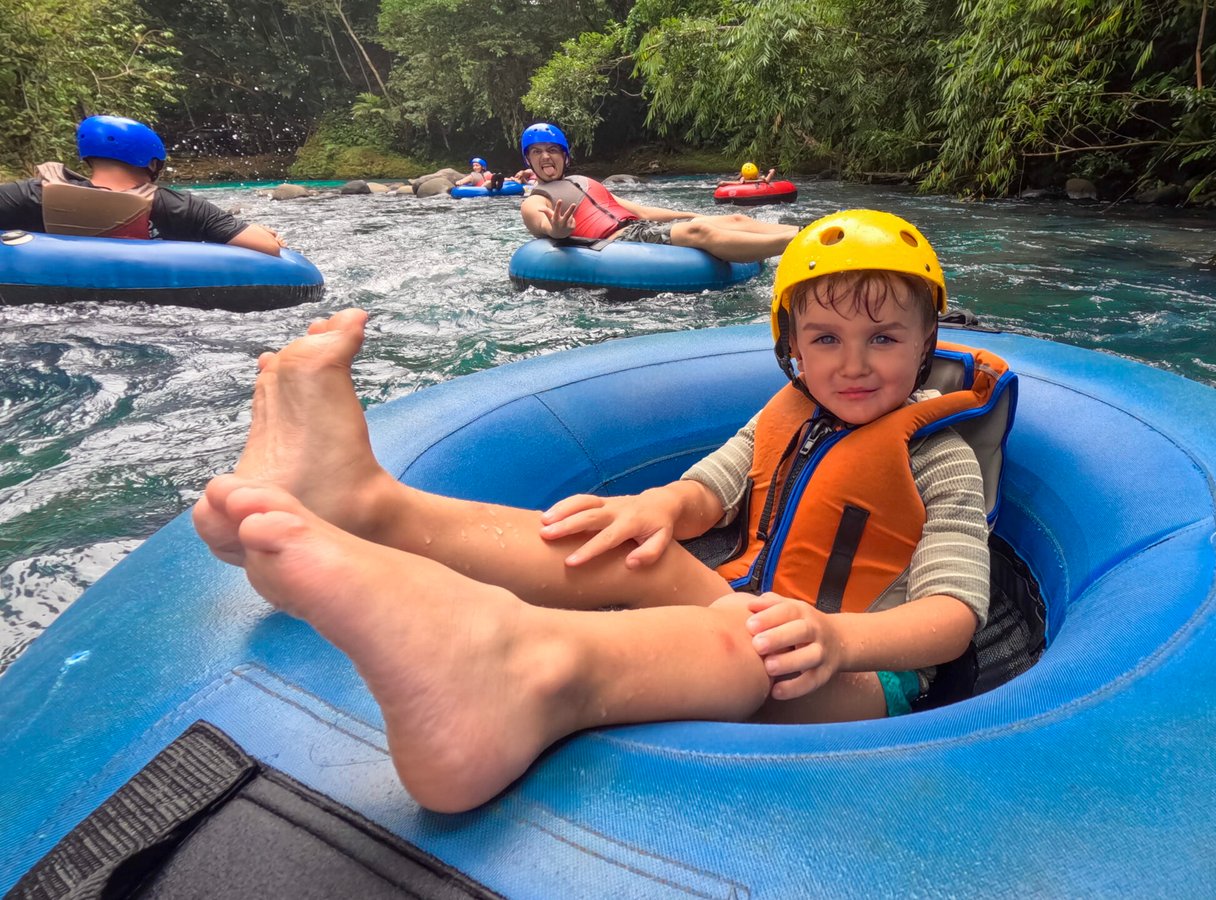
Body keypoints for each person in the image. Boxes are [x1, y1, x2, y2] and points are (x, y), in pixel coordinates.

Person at [192, 210, 1008, 813]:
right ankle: (366, 509)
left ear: (929, 336)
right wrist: (654, 508)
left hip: (861, 676)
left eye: (885, 340)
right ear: (791, 344)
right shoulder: (786, 412)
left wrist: (838, 640)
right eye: (825, 340)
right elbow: (708, 491)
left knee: (742, 640)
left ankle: (527, 671)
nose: (853, 365)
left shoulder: (940, 459)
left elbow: (953, 615)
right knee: (624, 545)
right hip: (755, 605)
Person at [0, 116, 285, 255]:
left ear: (88, 157)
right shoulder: (177, 206)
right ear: (152, 163)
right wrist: (263, 232)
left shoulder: (30, 194)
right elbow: (267, 248)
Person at [517, 122, 796, 263]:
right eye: (537, 152)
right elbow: (542, 223)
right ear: (529, 161)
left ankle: (807, 230)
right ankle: (797, 245)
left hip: (637, 227)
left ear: (564, 157)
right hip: (617, 241)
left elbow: (640, 212)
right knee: (699, 233)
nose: (545, 157)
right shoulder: (537, 199)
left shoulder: (583, 181)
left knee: (734, 220)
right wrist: (558, 230)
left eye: (552, 150)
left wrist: (692, 214)